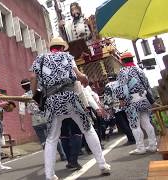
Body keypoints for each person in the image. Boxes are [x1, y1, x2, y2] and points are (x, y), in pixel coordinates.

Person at [30, 37, 111, 180]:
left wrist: (35, 95)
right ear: (62, 47)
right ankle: (102, 164)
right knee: (88, 130)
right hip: (70, 98)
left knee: (51, 139)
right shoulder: (67, 57)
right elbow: (79, 76)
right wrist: (85, 78)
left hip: (52, 101)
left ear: (51, 47)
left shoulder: (40, 59)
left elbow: (32, 77)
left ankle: (50, 175)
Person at [116, 52, 157, 155]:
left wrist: (121, 100)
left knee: (134, 125)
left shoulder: (123, 70)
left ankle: (140, 148)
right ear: (132, 59)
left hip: (132, 101)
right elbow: (146, 84)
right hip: (143, 99)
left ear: (122, 61)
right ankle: (153, 145)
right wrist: (151, 100)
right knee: (146, 122)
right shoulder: (139, 69)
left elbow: (121, 86)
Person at [19, 79, 66, 161]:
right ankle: (62, 154)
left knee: (43, 141)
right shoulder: (38, 92)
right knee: (53, 136)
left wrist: (22, 124)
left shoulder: (23, 97)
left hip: (35, 120)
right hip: (46, 116)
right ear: (30, 85)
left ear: (22, 87)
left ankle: (50, 159)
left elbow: (21, 112)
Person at [103, 73, 135, 145]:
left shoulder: (108, 86)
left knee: (123, 124)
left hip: (116, 107)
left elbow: (108, 98)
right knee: (128, 122)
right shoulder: (121, 83)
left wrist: (107, 108)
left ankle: (131, 139)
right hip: (126, 105)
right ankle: (135, 137)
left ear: (109, 79)